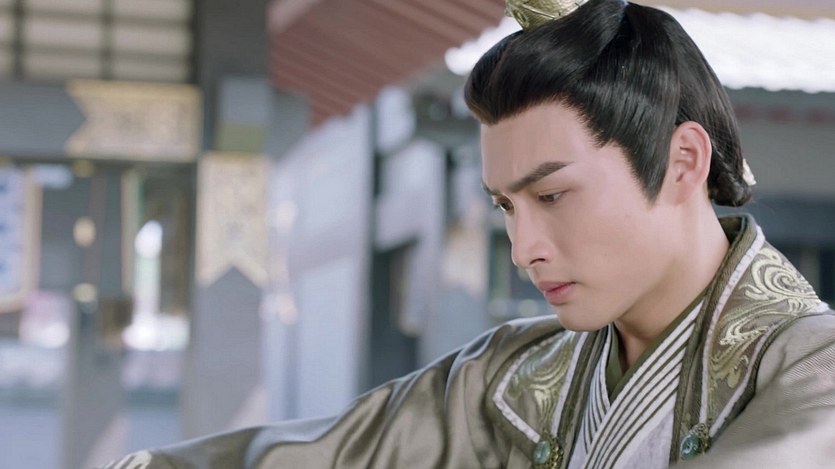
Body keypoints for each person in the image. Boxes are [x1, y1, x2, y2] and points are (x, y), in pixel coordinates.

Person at [103, 0, 835, 467]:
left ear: (682, 162)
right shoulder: (511, 375)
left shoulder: (812, 369)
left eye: (552, 195)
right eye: (506, 206)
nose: (524, 248)